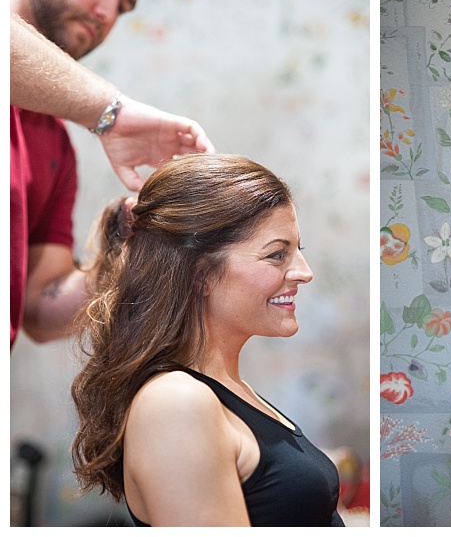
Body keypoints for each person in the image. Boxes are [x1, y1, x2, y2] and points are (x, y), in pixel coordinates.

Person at [70, 154, 344, 526]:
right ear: (200, 274)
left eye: (298, 251)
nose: (304, 272)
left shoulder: (229, 390)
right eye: (277, 254)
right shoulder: (175, 403)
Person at [10, 0, 214, 347]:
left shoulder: (55, 146)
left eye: (123, 6)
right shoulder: (96, 115)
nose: (107, 13)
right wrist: (112, 114)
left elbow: (39, 313)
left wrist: (123, 253)